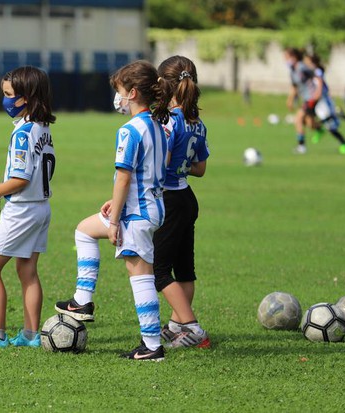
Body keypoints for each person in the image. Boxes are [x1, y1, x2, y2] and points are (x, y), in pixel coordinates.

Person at [55, 60, 170, 361]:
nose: (116, 97)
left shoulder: (129, 130)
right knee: (83, 230)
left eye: (119, 91)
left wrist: (115, 220)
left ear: (132, 93)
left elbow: (125, 175)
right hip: (151, 206)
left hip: (135, 214)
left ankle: (152, 346)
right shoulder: (157, 126)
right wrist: (113, 202)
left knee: (140, 276)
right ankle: (82, 301)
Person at [0, 66, 56, 349]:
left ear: (26, 97)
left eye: (9, 95)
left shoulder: (22, 133)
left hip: (21, 209)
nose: (5, 100)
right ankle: (31, 335)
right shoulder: (43, 129)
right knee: (27, 270)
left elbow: (20, 179)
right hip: (42, 207)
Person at [154, 56, 211, 349]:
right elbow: (200, 169)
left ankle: (192, 327)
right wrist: (182, 165)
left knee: (159, 271)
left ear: (163, 85)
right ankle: (177, 324)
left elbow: (160, 164)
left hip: (169, 199)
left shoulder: (168, 122)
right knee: (184, 268)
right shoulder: (197, 123)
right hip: (187, 198)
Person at [303, 53, 345, 155]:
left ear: (312, 61)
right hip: (315, 100)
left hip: (322, 100)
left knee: (330, 126)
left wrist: (316, 96)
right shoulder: (309, 72)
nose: (305, 62)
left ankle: (344, 144)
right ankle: (322, 127)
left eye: (307, 61)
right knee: (310, 119)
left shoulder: (317, 71)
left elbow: (320, 84)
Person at [285, 48, 316, 154]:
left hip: (311, 98)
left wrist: (319, 92)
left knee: (297, 120)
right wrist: (290, 100)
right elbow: (294, 87)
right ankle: (322, 126)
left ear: (294, 57)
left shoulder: (302, 67)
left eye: (287, 57)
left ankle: (301, 146)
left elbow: (317, 75)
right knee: (309, 124)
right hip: (306, 99)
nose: (286, 60)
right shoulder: (292, 71)